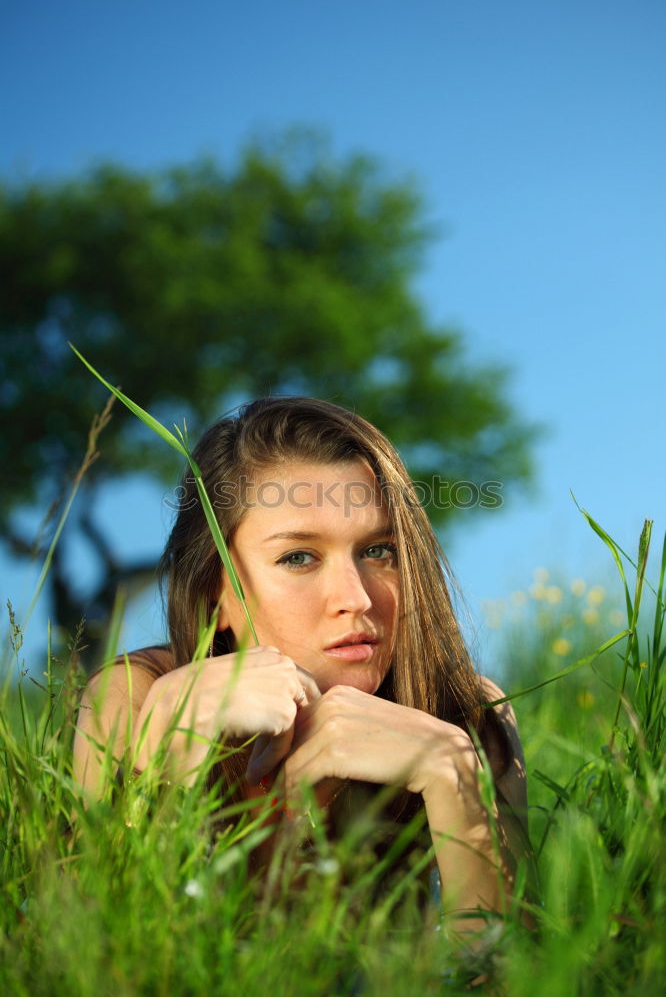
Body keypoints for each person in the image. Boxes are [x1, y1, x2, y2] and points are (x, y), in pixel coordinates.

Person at [73, 396, 528, 931]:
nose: (356, 598)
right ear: (217, 592)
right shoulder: (136, 696)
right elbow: (89, 961)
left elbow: (509, 980)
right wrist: (165, 757)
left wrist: (454, 778)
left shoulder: (465, 717)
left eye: (379, 550)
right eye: (298, 557)